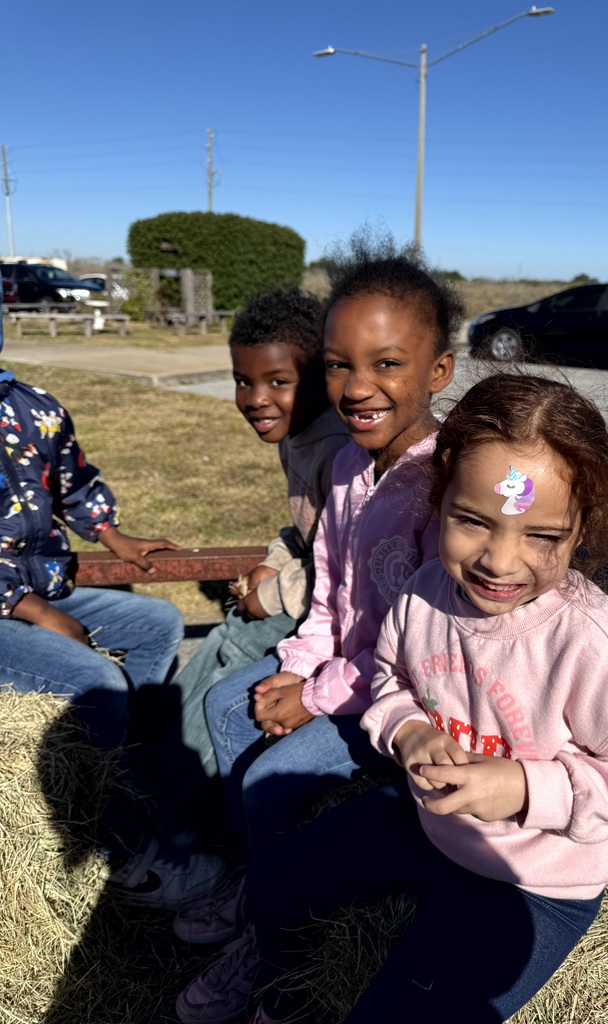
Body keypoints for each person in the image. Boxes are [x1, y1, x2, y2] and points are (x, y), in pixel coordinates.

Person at [208, 373, 608, 1024]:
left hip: (536, 882)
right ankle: (280, 990)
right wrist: (407, 731)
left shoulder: (590, 646)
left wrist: (524, 789)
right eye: (472, 522)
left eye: (541, 535)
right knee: (276, 879)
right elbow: (390, 679)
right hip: (428, 824)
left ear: (582, 529)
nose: (500, 560)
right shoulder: (424, 591)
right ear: (439, 501)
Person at [174, 237, 463, 1024]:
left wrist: (317, 694)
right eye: (338, 364)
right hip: (344, 674)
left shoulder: (447, 486)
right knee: (234, 703)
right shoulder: (343, 469)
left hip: (406, 702)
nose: (357, 388)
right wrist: (299, 666)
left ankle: (276, 953)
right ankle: (258, 880)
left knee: (271, 777)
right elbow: (333, 596)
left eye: (386, 364)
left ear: (439, 371)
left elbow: (426, 644)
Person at [0, 320, 226, 908]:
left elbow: (71, 481)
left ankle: (129, 779)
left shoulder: (35, 409)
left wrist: (114, 537)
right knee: (96, 680)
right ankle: (116, 854)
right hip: (10, 605)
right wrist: (30, 611)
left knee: (158, 625)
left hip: (40, 583)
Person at [169, 288, 350, 780]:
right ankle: (161, 744)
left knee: (242, 644)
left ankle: (176, 789)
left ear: (319, 377)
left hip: (334, 614)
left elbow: (346, 568)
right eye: (242, 382)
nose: (255, 399)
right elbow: (304, 532)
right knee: (231, 631)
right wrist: (274, 557)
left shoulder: (339, 455)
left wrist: (269, 596)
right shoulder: (295, 437)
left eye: (278, 381)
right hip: (305, 589)